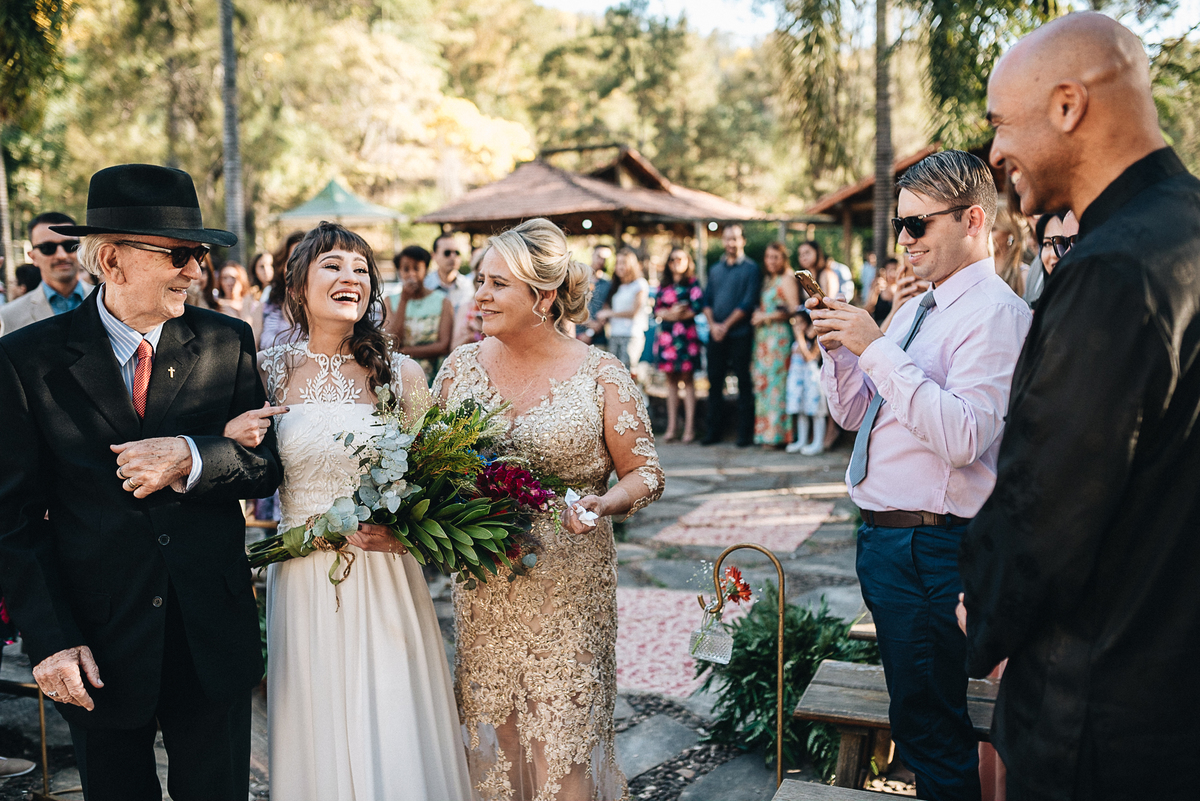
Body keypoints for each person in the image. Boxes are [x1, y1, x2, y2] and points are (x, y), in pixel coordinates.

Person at [958, 14, 1200, 800]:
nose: (995, 152)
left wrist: (980, 612)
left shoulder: (1110, 270)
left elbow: (1044, 505)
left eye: (1000, 123)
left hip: (1101, 712)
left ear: (1068, 106)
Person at [0, 163, 282, 801]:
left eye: (200, 255)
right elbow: (11, 518)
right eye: (180, 254)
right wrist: (50, 641)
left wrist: (190, 456)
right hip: (96, 645)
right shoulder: (27, 361)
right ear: (112, 259)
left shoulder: (226, 342)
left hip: (210, 636)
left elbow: (267, 467)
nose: (196, 270)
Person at [810, 150, 1032, 801]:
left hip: (937, 545)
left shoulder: (995, 314)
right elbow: (855, 413)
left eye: (916, 225)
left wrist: (874, 346)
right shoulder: (914, 310)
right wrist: (842, 353)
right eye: (899, 227)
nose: (902, 240)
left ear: (971, 219)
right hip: (886, 541)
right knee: (918, 721)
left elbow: (963, 436)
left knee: (933, 727)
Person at [239, 222, 471, 801]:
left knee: (390, 710)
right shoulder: (267, 370)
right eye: (333, 265)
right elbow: (244, 466)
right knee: (315, 710)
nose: (351, 277)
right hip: (300, 573)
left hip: (382, 568)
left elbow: (437, 482)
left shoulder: (400, 373)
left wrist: (406, 536)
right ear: (297, 286)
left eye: (361, 268)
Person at [436, 217, 663, 801]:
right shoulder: (459, 369)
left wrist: (605, 501)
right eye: (479, 280)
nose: (479, 294)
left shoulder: (601, 373)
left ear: (542, 296)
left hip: (569, 586)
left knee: (564, 742)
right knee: (497, 742)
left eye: (496, 284)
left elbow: (646, 473)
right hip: (486, 586)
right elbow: (429, 466)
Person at [702, 225, 760, 446]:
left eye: (735, 239)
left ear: (742, 241)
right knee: (714, 382)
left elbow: (748, 303)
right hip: (716, 335)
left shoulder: (751, 268)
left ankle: (744, 435)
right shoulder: (715, 269)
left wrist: (725, 325)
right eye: (727, 239)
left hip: (740, 334)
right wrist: (713, 325)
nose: (731, 243)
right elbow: (707, 300)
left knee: (743, 382)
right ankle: (712, 432)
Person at [0, 212, 94, 337]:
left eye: (69, 246)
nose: (61, 255)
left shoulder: (109, 302)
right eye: (47, 247)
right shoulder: (9, 316)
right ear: (32, 256)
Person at [653, 247, 704, 443]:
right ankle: (672, 427)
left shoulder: (692, 283)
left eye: (680, 259)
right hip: (667, 339)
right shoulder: (663, 285)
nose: (676, 262)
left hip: (687, 338)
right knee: (671, 382)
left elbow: (696, 308)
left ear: (687, 261)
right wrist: (671, 314)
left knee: (688, 381)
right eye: (673, 259)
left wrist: (673, 314)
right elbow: (656, 310)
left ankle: (689, 428)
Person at [751, 241, 800, 447]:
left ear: (783, 259)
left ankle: (778, 435)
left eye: (775, 257)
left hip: (778, 338)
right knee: (764, 384)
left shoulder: (787, 278)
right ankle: (765, 434)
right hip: (764, 340)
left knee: (776, 387)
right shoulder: (769, 280)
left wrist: (765, 316)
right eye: (768, 257)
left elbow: (793, 308)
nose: (771, 261)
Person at [384, 245, 452, 382]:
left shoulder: (443, 301)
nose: (411, 274)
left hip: (435, 375)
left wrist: (404, 351)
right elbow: (392, 342)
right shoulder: (390, 301)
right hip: (400, 376)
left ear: (426, 270)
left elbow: (444, 345)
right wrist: (404, 300)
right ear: (399, 271)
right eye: (406, 269)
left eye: (416, 268)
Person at [597, 248, 649, 369]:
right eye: (617, 263)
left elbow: (633, 312)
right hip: (614, 334)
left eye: (623, 263)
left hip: (631, 335)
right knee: (613, 372)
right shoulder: (616, 286)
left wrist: (609, 313)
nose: (620, 267)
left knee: (627, 372)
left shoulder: (639, 284)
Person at [784, 310, 827, 455]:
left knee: (816, 411)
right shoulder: (795, 340)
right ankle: (801, 440)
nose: (797, 326)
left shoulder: (814, 340)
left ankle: (818, 442)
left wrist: (801, 338)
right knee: (801, 410)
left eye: (800, 323)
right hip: (798, 379)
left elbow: (809, 358)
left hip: (812, 379)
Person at [260, 230, 306, 348]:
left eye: (303, 261)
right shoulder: (268, 303)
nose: (298, 268)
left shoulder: (322, 308)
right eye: (293, 260)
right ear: (282, 264)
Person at [427, 232, 474, 313]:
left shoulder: (467, 285)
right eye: (447, 253)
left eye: (457, 253)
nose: (453, 257)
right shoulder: (426, 285)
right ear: (434, 256)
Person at [579, 245, 613, 348]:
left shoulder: (608, 284)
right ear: (592, 255)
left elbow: (607, 308)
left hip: (599, 338)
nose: (601, 260)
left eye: (604, 259)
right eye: (599, 256)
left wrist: (591, 331)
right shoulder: (579, 279)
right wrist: (588, 323)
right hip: (578, 335)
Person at [991, 207, 1028, 295]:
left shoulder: (1024, 275)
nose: (988, 235)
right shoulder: (984, 270)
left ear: (1010, 235)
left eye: (993, 229)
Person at [217, 261, 260, 336]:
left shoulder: (253, 304)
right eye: (225, 278)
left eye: (233, 278)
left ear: (241, 279)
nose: (229, 282)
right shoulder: (216, 305)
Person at [865, 257, 899, 324]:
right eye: (890, 270)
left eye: (895, 270)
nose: (893, 274)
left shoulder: (904, 289)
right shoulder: (878, 288)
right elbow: (868, 309)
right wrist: (875, 292)